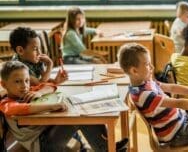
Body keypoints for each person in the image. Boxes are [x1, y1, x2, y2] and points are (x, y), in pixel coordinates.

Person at [0, 61, 128, 152]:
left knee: (88, 113)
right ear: (4, 84)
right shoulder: (6, 104)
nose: (24, 85)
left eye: (26, 80)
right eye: (17, 81)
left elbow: (51, 86)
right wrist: (51, 106)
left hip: (48, 133)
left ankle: (107, 146)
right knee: (80, 119)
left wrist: (39, 92)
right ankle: (106, 149)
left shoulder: (27, 92)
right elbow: (21, 109)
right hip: (42, 146)